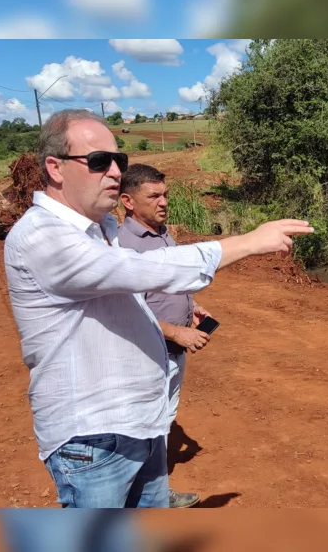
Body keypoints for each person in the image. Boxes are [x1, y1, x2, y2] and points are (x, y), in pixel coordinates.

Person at [3, 109, 313, 508]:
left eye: (119, 161)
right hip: (94, 439)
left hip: (140, 425)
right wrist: (249, 242)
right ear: (55, 168)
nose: (115, 171)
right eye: (100, 161)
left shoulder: (102, 231)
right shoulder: (42, 236)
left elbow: (130, 300)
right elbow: (145, 270)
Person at [116, 164, 210, 508]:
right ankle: (141, 497)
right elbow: (129, 309)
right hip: (148, 353)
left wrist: (194, 306)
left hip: (173, 351)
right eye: (153, 196)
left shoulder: (162, 234)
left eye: (165, 194)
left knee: (162, 421)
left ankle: (152, 493)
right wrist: (176, 332)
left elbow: (168, 285)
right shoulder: (122, 245)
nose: (164, 202)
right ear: (127, 200)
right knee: (143, 426)